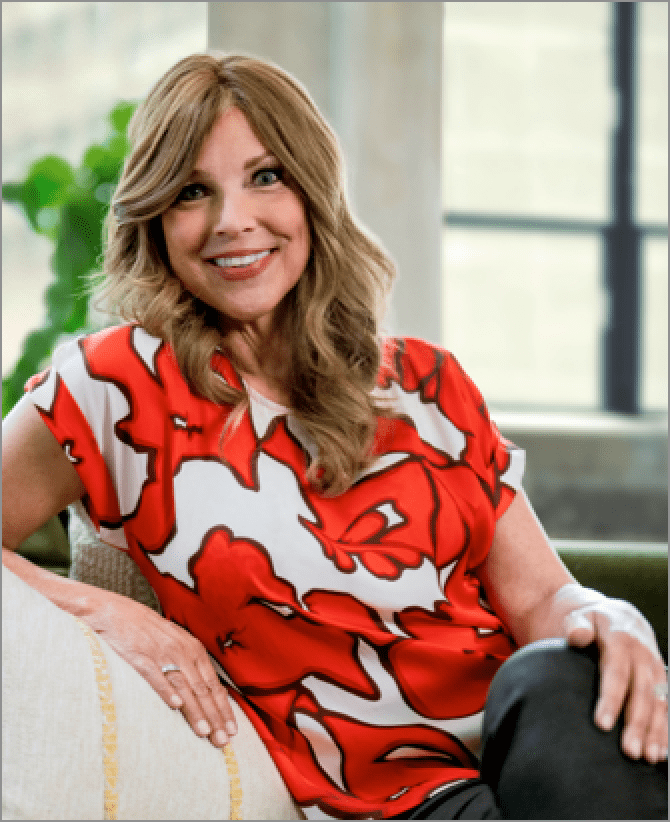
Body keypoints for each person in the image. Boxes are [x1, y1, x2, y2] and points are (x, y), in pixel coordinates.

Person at [2, 53, 667, 820]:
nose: (232, 221)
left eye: (266, 176)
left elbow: (544, 598)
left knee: (557, 675)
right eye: (193, 191)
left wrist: (610, 613)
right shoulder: (114, 384)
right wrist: (96, 608)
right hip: (405, 801)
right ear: (156, 216)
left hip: (549, 751)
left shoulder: (426, 384)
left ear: (312, 192)